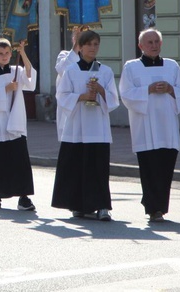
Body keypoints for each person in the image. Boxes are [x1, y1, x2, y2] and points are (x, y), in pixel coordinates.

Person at [119, 28, 180, 222]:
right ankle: (153, 208)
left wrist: (170, 89)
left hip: (167, 125)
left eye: (156, 42)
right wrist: (147, 90)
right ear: (140, 46)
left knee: (165, 167)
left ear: (161, 44)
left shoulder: (172, 66)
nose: (153, 45)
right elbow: (125, 93)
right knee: (149, 167)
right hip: (145, 125)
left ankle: (161, 205)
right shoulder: (131, 67)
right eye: (149, 42)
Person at [52, 30, 119, 221]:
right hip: (77, 127)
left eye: (96, 44)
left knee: (98, 168)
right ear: (80, 47)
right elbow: (62, 96)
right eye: (88, 44)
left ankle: (102, 206)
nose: (92, 48)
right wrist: (81, 96)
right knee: (77, 167)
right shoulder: (71, 71)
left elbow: (114, 99)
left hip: (98, 127)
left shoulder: (104, 71)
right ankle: (78, 205)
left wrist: (100, 91)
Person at [0, 38, 37, 211]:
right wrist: (6, 89)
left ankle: (23, 197)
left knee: (19, 160)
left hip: (15, 121)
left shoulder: (16, 70)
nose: (4, 56)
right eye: (0, 54)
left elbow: (29, 77)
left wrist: (23, 53)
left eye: (7, 53)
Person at [54, 26, 83, 141]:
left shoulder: (93, 61)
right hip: (69, 108)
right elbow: (63, 69)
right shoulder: (64, 55)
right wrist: (77, 45)